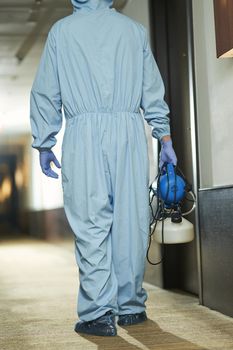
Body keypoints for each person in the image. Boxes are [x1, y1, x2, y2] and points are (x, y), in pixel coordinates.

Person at [30, 0, 177, 337]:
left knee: (91, 221)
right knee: (131, 219)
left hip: (83, 134)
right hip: (129, 131)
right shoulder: (132, 31)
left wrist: (44, 142)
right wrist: (164, 136)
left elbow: (46, 93)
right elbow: (151, 90)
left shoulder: (62, 32)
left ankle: (98, 314)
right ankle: (131, 307)